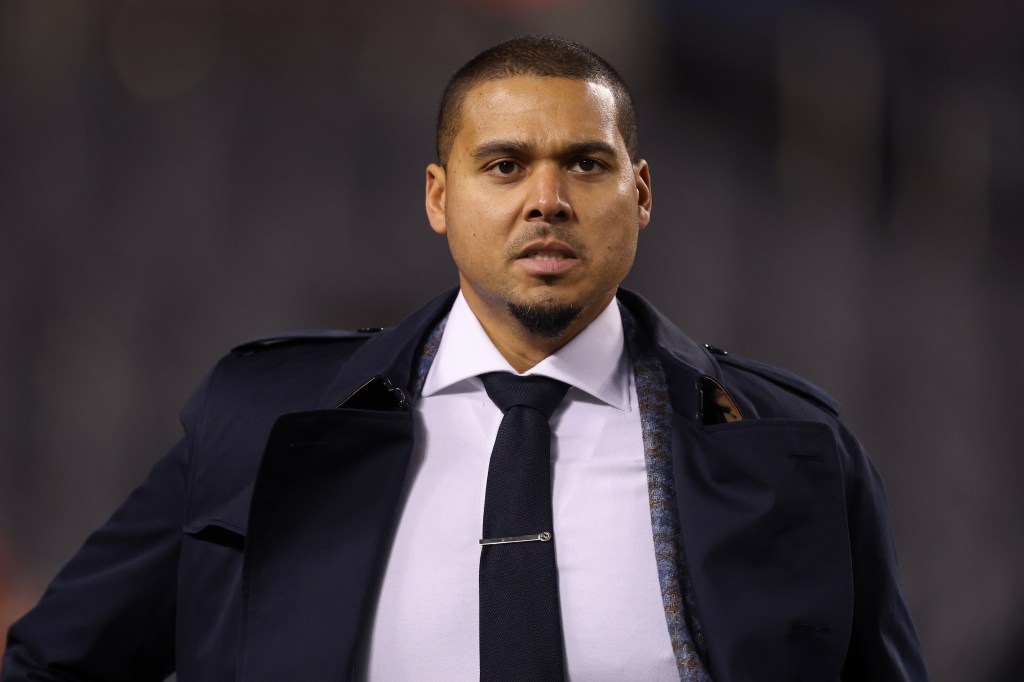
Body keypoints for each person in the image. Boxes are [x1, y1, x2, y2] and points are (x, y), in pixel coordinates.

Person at [2, 36, 928, 681]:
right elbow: (55, 662)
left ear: (640, 194)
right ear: (439, 198)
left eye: (586, 164)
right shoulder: (263, 421)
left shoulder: (795, 446)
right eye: (504, 166)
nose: (547, 200)